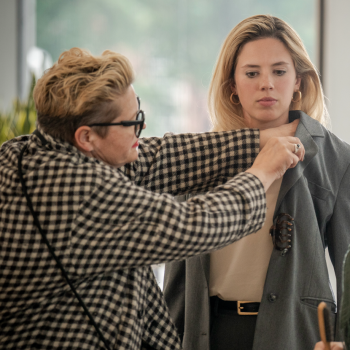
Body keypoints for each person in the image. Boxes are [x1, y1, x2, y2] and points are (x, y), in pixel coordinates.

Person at [0, 47, 302, 350]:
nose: (141, 129)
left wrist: (260, 139)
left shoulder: (26, 152)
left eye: (139, 112)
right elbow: (193, 225)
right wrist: (262, 172)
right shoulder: (74, 193)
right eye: (130, 123)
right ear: (86, 137)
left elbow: (158, 158)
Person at [164, 14, 350, 350]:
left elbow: (349, 266)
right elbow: (178, 278)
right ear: (232, 84)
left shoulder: (336, 158)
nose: (267, 83)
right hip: (208, 333)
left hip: (296, 335)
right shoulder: (201, 157)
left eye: (279, 71)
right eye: (252, 73)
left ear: (298, 80)